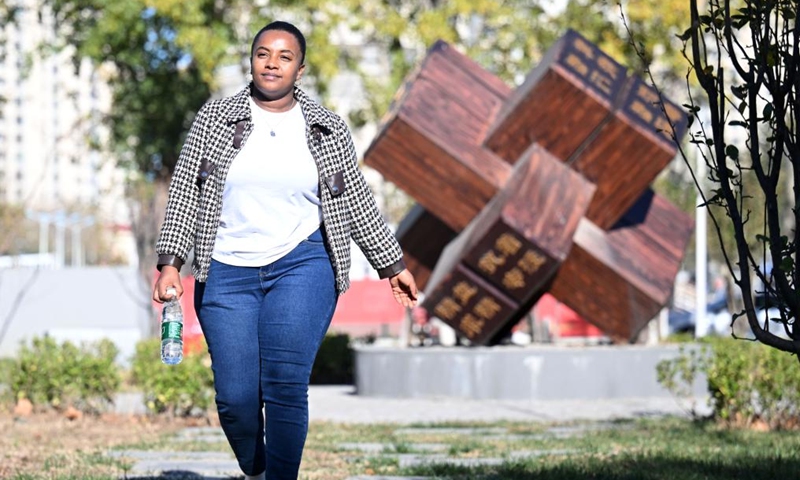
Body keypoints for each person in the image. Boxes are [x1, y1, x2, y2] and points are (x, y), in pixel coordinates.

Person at [152, 20, 418, 480]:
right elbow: (184, 195)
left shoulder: (326, 127)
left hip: (303, 261)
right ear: (251, 61)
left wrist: (391, 264)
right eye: (263, 54)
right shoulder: (214, 118)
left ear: (300, 69)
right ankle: (257, 468)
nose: (272, 63)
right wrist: (170, 263)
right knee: (235, 398)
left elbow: (355, 199)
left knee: (285, 383)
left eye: (285, 56)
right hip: (226, 269)